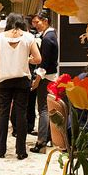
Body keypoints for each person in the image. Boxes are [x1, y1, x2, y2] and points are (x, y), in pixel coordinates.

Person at [0, 13, 41, 159]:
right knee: (21, 115)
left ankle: (1, 149)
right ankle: (20, 151)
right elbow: (38, 58)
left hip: (4, 80)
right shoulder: (28, 37)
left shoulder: (0, 37)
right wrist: (27, 59)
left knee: (4, 114)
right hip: (22, 80)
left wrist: (4, 59)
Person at [30, 10, 59, 153]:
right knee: (46, 109)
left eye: (37, 22)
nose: (35, 25)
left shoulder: (48, 38)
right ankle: (47, 138)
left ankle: (41, 142)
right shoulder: (51, 35)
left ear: (46, 20)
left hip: (46, 78)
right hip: (51, 77)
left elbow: (44, 63)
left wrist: (37, 80)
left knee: (43, 109)